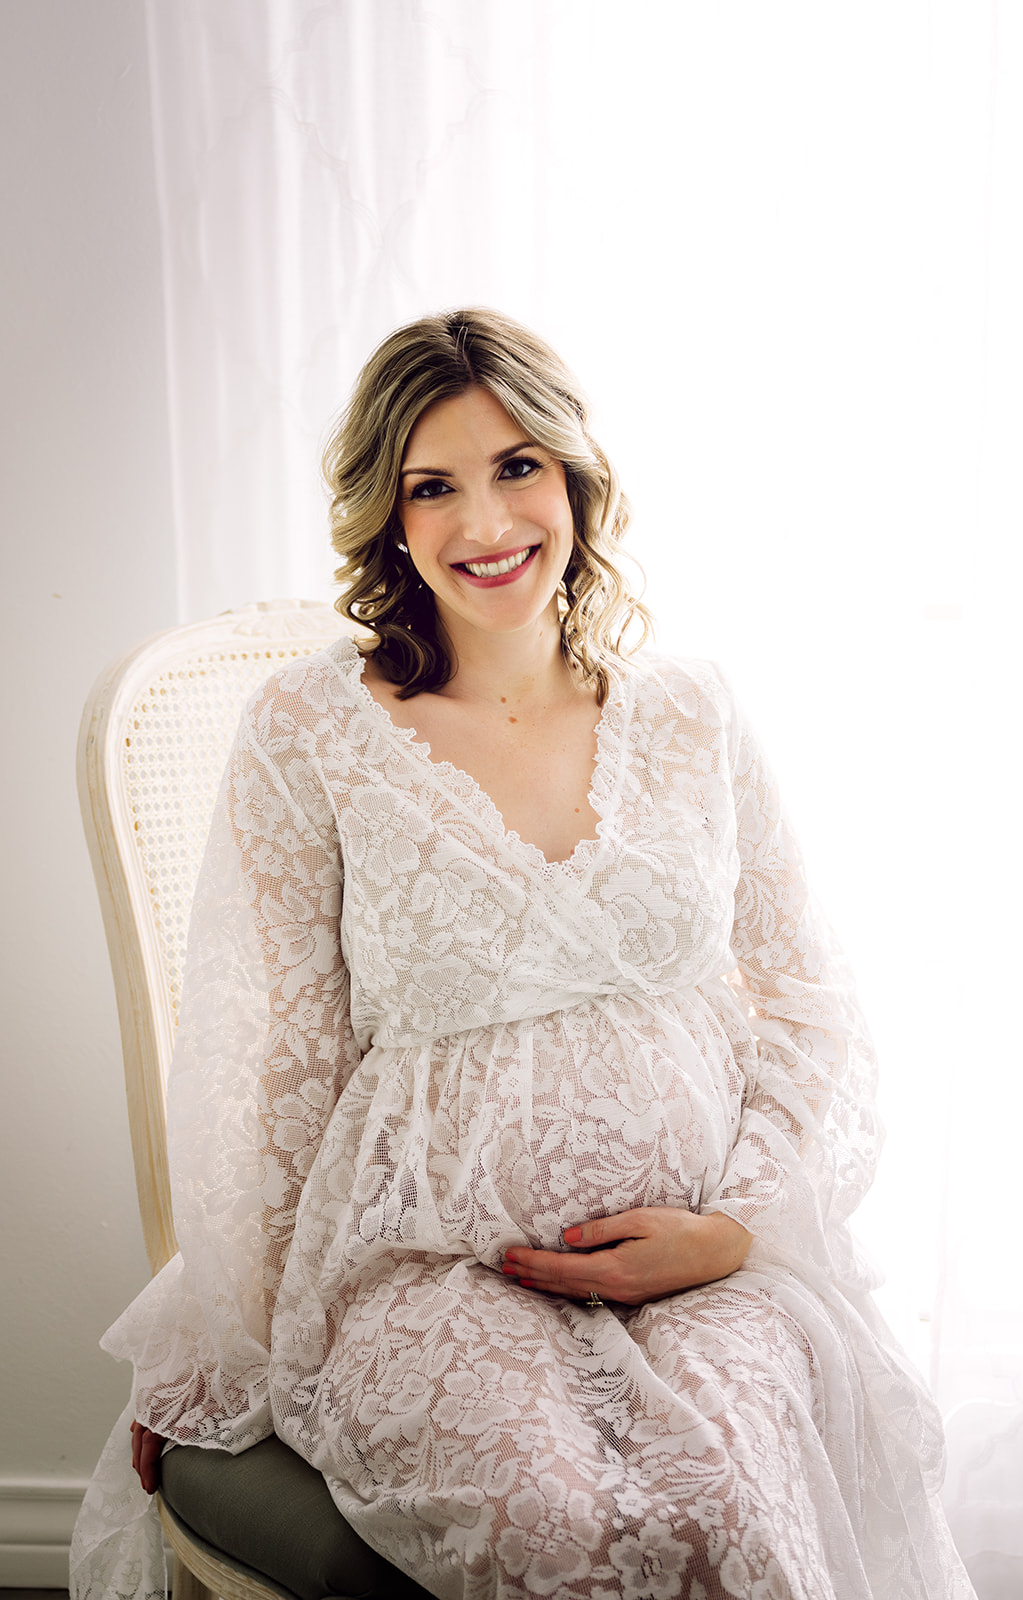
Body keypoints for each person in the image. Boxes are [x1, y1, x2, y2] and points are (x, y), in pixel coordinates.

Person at [72, 309, 975, 1599]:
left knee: (728, 1503)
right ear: (387, 514)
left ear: (574, 476)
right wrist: (222, 1343)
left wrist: (734, 1228)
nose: (485, 525)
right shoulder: (310, 731)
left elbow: (808, 1002)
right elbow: (273, 1059)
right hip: (427, 1265)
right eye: (431, 486)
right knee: (558, 1522)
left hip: (704, 1259)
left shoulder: (692, 709)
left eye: (516, 469)